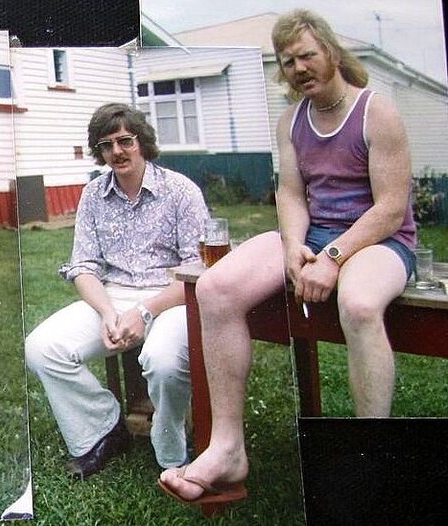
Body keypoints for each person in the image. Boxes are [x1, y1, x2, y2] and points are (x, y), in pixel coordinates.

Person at [158, 9, 417, 505]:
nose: (298, 68)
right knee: (214, 287)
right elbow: (292, 194)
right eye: (287, 61)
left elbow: (390, 208)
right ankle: (227, 449)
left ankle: (373, 458)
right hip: (314, 234)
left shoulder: (376, 111)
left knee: (360, 305)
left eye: (306, 55)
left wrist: (333, 257)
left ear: (331, 52)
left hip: (379, 241)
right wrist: (296, 245)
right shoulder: (291, 121)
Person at [24, 103, 209, 478]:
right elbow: (84, 267)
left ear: (143, 142)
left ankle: (170, 448)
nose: (117, 151)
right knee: (41, 347)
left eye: (125, 141)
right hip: (113, 295)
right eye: (106, 145)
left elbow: (198, 270)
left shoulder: (180, 190)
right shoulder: (93, 194)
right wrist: (108, 313)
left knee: (163, 362)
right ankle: (104, 429)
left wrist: (145, 311)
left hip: (171, 297)